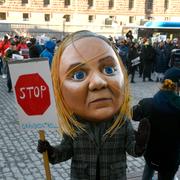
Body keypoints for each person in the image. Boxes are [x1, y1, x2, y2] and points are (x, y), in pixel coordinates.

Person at [37, 30, 150, 180]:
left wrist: (140, 144)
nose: (98, 82)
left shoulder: (121, 121)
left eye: (109, 70)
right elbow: (66, 149)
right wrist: (50, 151)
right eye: (79, 75)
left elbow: (131, 148)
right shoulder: (75, 123)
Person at [132, 67, 180, 180]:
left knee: (148, 169)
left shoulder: (147, 103)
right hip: (170, 160)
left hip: (151, 154)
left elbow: (133, 115)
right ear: (177, 86)